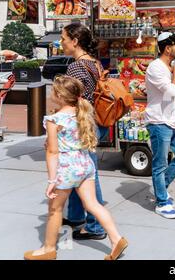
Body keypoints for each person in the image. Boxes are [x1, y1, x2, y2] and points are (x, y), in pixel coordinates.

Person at [24, 76, 127, 260]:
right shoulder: (82, 112)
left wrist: (51, 180)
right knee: (93, 204)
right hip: (85, 163)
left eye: (52, 91)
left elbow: (53, 152)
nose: (49, 94)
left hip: (66, 167)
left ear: (59, 95)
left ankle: (48, 249)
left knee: (55, 210)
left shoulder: (54, 119)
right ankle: (116, 239)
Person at [61, 23, 107, 240]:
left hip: (83, 125)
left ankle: (95, 225)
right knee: (80, 171)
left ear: (75, 41)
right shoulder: (95, 63)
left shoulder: (75, 67)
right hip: (96, 122)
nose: (61, 43)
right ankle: (76, 215)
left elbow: (72, 100)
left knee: (89, 174)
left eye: (63, 39)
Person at [145, 32, 175, 218]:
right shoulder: (155, 68)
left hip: (173, 120)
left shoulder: (168, 67)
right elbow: (171, 91)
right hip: (159, 122)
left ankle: (161, 189)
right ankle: (162, 202)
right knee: (160, 164)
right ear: (167, 48)